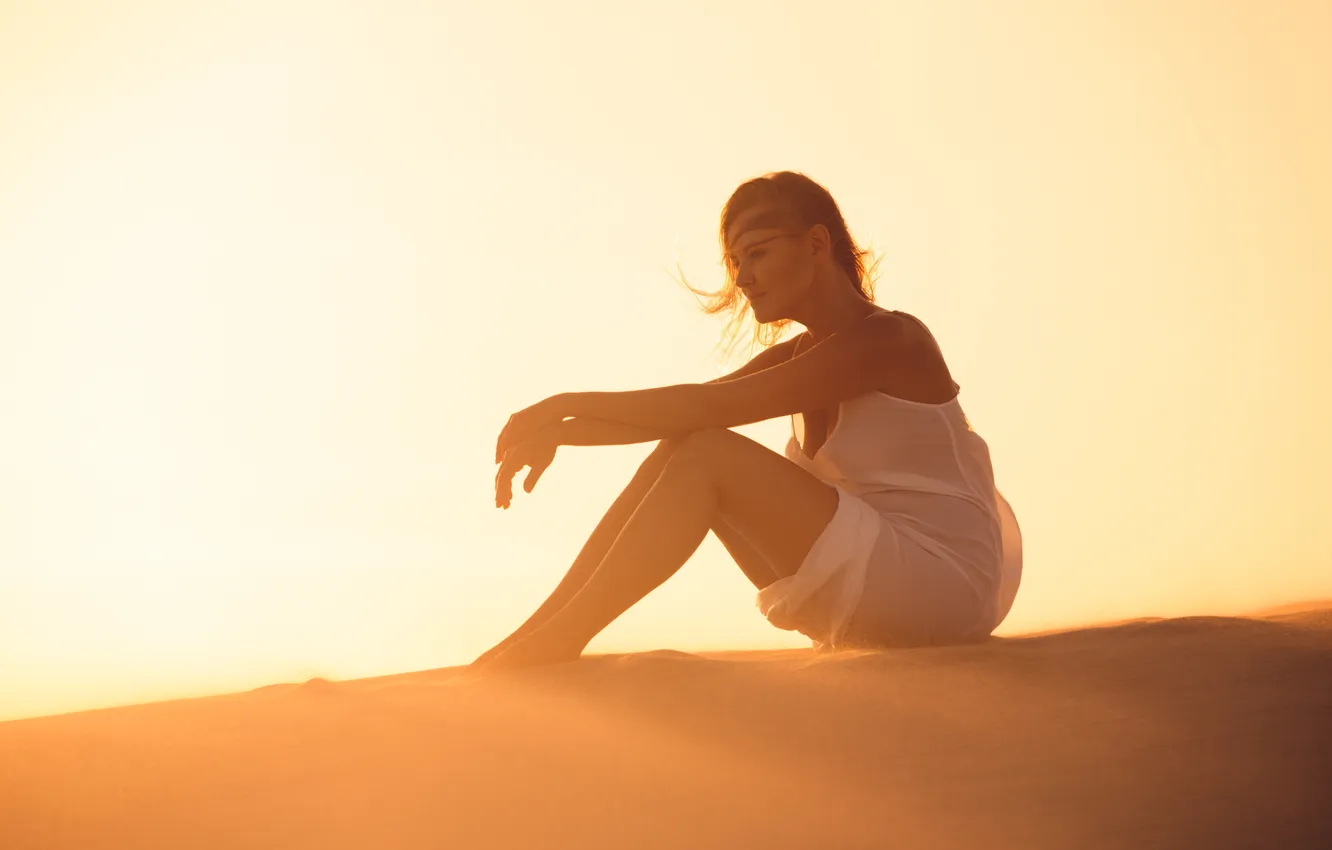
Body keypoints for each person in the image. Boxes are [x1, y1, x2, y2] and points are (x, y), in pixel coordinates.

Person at [471, 171, 1022, 671]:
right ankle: (535, 636)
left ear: (815, 244)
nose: (743, 279)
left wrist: (560, 401)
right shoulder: (801, 356)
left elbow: (705, 408)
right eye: (735, 262)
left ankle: (555, 643)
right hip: (873, 582)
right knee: (683, 448)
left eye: (756, 254)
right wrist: (562, 431)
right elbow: (687, 412)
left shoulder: (890, 340)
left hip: (941, 586)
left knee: (707, 451)